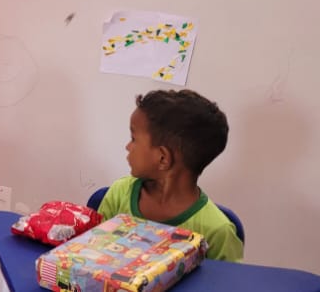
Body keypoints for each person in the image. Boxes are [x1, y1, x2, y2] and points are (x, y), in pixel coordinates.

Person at [97, 89, 244, 262]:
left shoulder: (217, 231)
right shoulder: (120, 193)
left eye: (134, 139)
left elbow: (228, 278)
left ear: (163, 158)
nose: (128, 147)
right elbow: (91, 252)